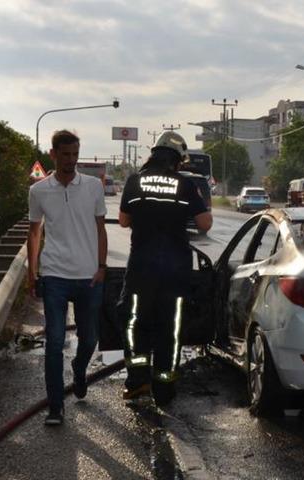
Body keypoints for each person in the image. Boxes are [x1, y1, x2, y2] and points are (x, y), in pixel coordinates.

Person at [118, 131, 212, 405]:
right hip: (175, 270)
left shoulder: (135, 181)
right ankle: (164, 389)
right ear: (178, 159)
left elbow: (124, 221)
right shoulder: (184, 185)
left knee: (135, 322)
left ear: (154, 153)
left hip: (141, 268)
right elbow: (205, 224)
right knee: (170, 328)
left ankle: (137, 382)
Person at [27, 130, 108, 426]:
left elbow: (101, 228)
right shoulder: (39, 191)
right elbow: (34, 233)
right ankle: (55, 407)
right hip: (55, 275)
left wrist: (101, 267)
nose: (71, 160)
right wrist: (31, 274)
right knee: (54, 341)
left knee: (90, 338)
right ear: (53, 154)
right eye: (65, 154)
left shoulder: (92, 187)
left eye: (75, 154)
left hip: (88, 275)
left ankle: (79, 367)